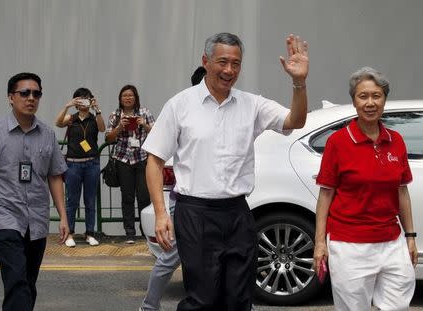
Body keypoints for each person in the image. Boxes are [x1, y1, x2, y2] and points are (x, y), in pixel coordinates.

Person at [142, 32, 309, 310]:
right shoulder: (180, 105)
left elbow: (296, 120)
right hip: (195, 213)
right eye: (222, 62)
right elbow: (155, 160)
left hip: (237, 214)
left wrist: (299, 82)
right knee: (202, 299)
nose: (229, 70)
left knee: (239, 298)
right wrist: (161, 213)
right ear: (206, 61)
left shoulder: (251, 104)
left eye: (236, 63)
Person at [313, 67, 418, 311]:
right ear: (354, 101)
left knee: (397, 302)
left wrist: (410, 236)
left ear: (384, 99)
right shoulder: (338, 142)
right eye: (363, 96)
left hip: (391, 241)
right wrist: (320, 243)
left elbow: (402, 191)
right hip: (349, 244)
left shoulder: (396, 140)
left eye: (376, 96)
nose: (370, 103)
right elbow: (325, 194)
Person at [0, 72, 69, 311]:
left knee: (27, 282)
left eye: (36, 93)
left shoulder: (47, 135)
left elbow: (55, 176)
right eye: (24, 93)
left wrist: (64, 217)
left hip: (36, 219)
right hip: (4, 216)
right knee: (16, 279)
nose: (31, 98)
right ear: (10, 97)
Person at [139, 66, 206, 311]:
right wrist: (161, 214)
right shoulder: (183, 112)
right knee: (171, 256)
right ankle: (148, 307)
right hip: (186, 202)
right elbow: (155, 159)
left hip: (215, 207)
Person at [55, 87, 105, 247]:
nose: (84, 101)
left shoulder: (93, 118)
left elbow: (103, 128)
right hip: (73, 165)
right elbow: (57, 123)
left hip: (92, 163)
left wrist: (97, 109)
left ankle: (90, 232)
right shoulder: (71, 118)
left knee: (90, 200)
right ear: (77, 102)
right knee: (72, 201)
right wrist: (67, 106)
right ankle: (69, 233)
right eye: (80, 99)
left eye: (87, 98)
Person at [105, 84, 155, 244]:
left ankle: (145, 232)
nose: (127, 98)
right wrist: (120, 126)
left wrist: (144, 124)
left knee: (144, 197)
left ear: (136, 98)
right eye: (124, 95)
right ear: (120, 99)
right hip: (122, 159)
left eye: (130, 95)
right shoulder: (115, 115)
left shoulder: (144, 112)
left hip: (141, 158)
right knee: (127, 197)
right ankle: (130, 233)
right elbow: (108, 138)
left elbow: (157, 133)